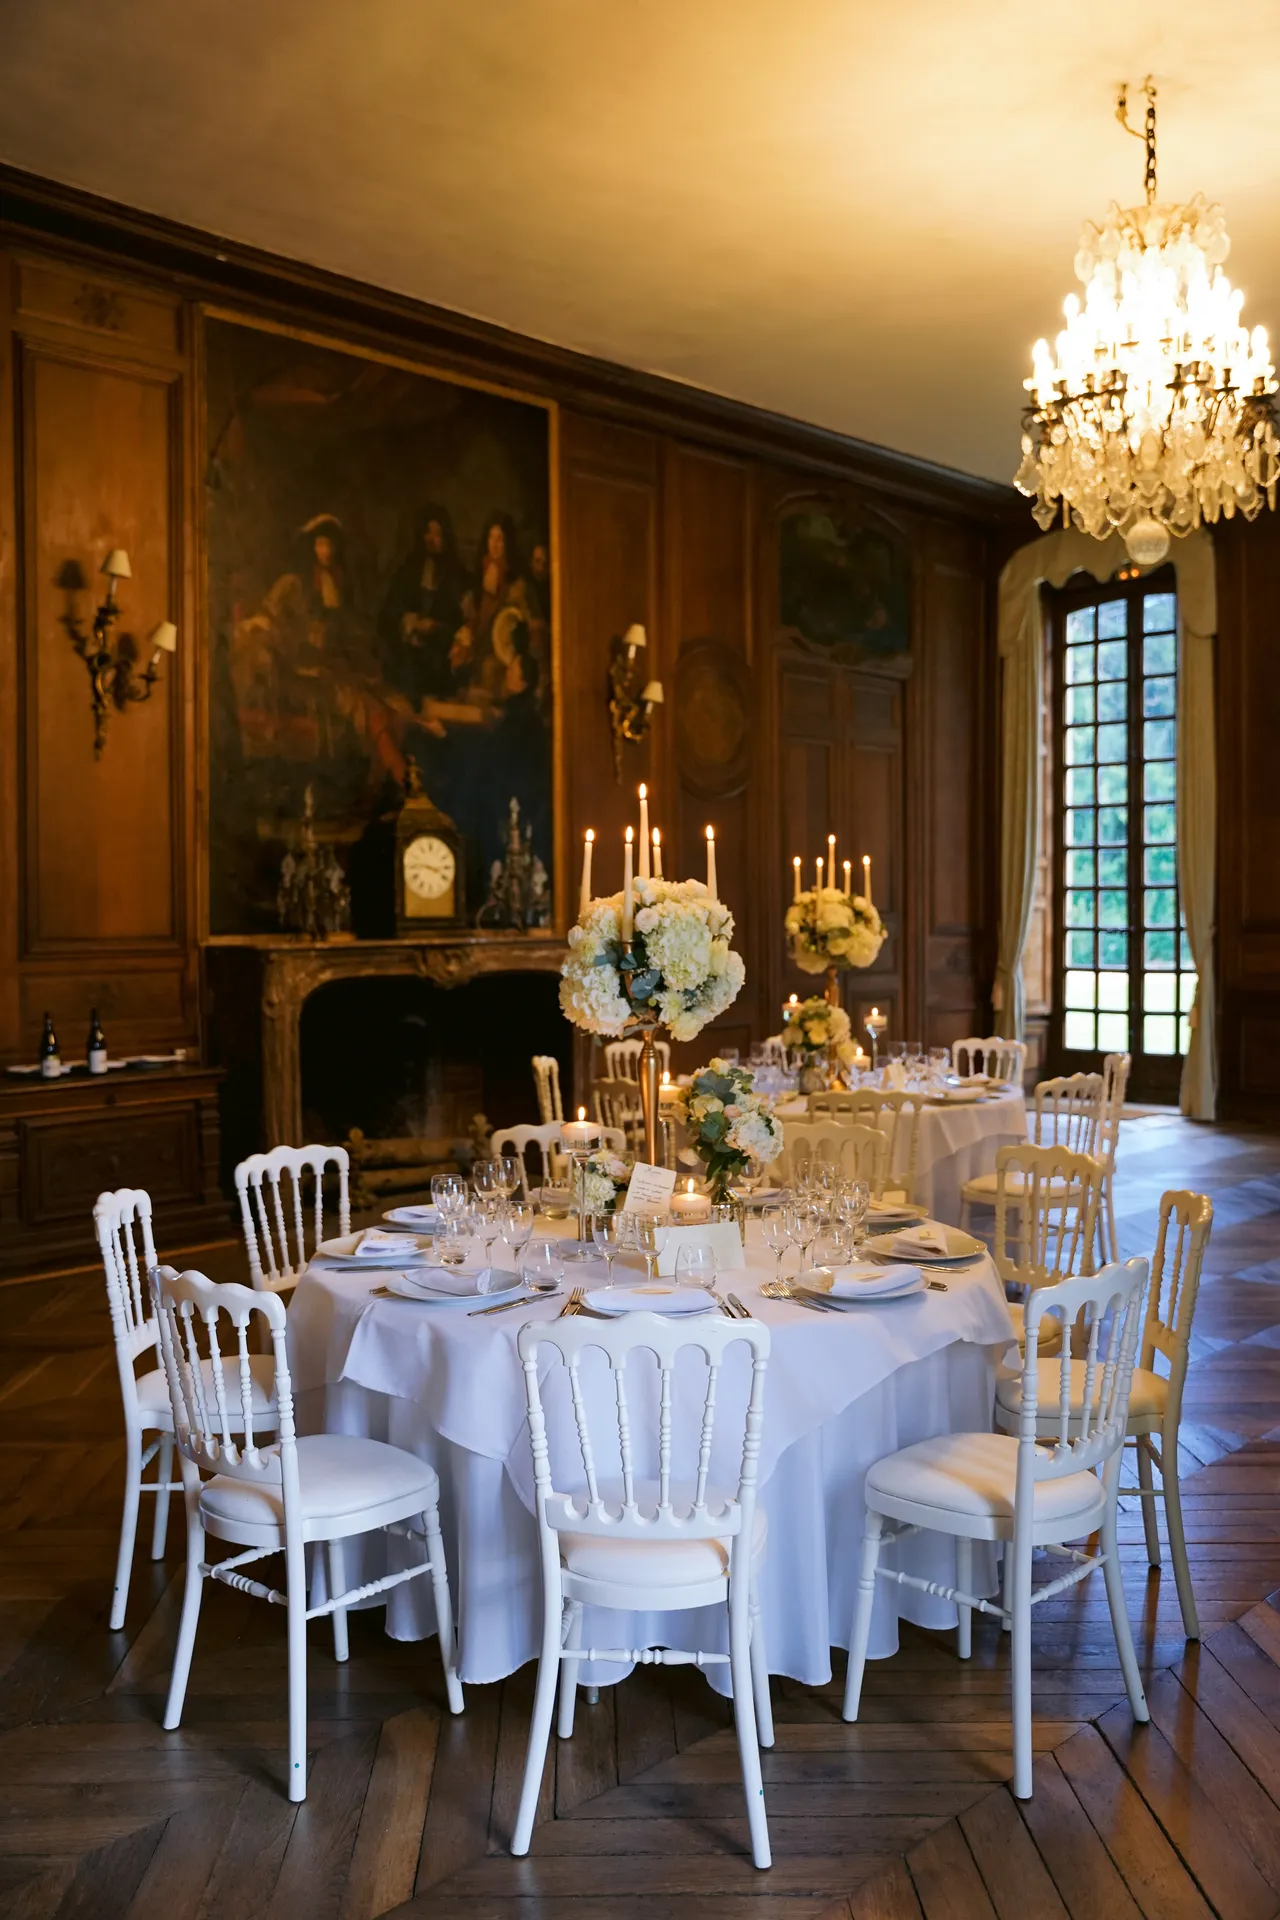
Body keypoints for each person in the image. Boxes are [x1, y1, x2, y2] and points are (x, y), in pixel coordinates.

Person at [379, 503, 465, 707]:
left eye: (437, 534)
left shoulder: (456, 576)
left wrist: (435, 627)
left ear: (445, 538)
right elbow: (389, 612)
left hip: (439, 653)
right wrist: (408, 622)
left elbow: (459, 620)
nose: (432, 539)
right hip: (408, 651)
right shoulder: (407, 571)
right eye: (428, 532)